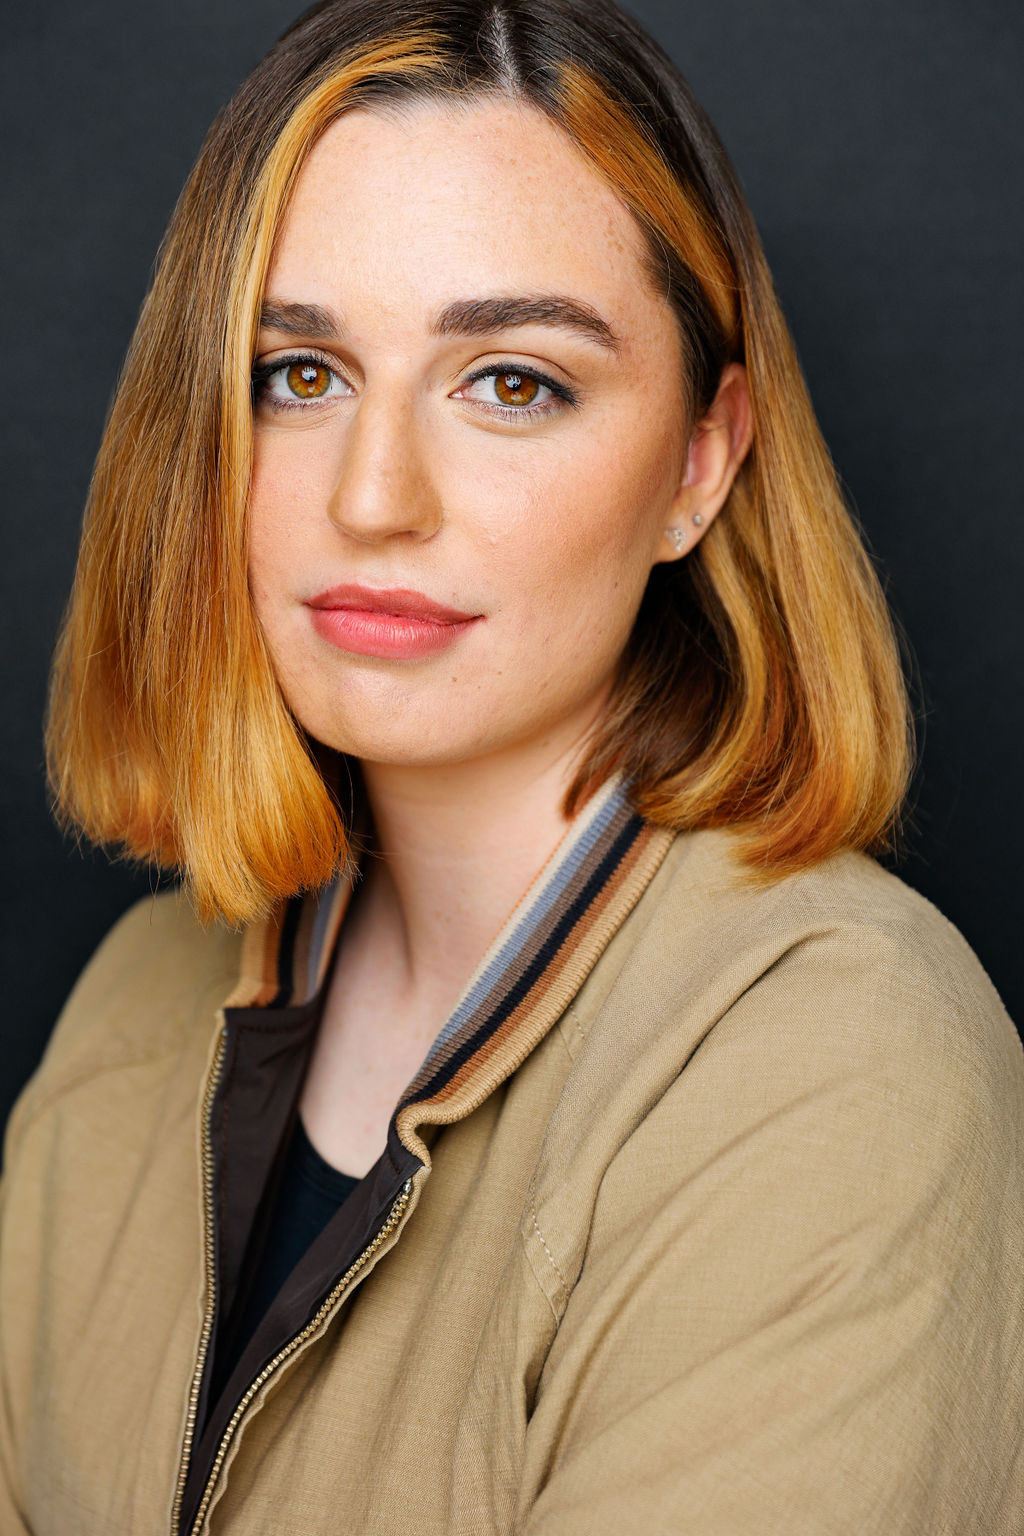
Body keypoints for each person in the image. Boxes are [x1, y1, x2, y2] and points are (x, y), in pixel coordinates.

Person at [2, 0, 1021, 1530]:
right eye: (299, 373)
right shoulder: (138, 1000)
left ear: (700, 462)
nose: (375, 497)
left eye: (513, 382)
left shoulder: (841, 1066)